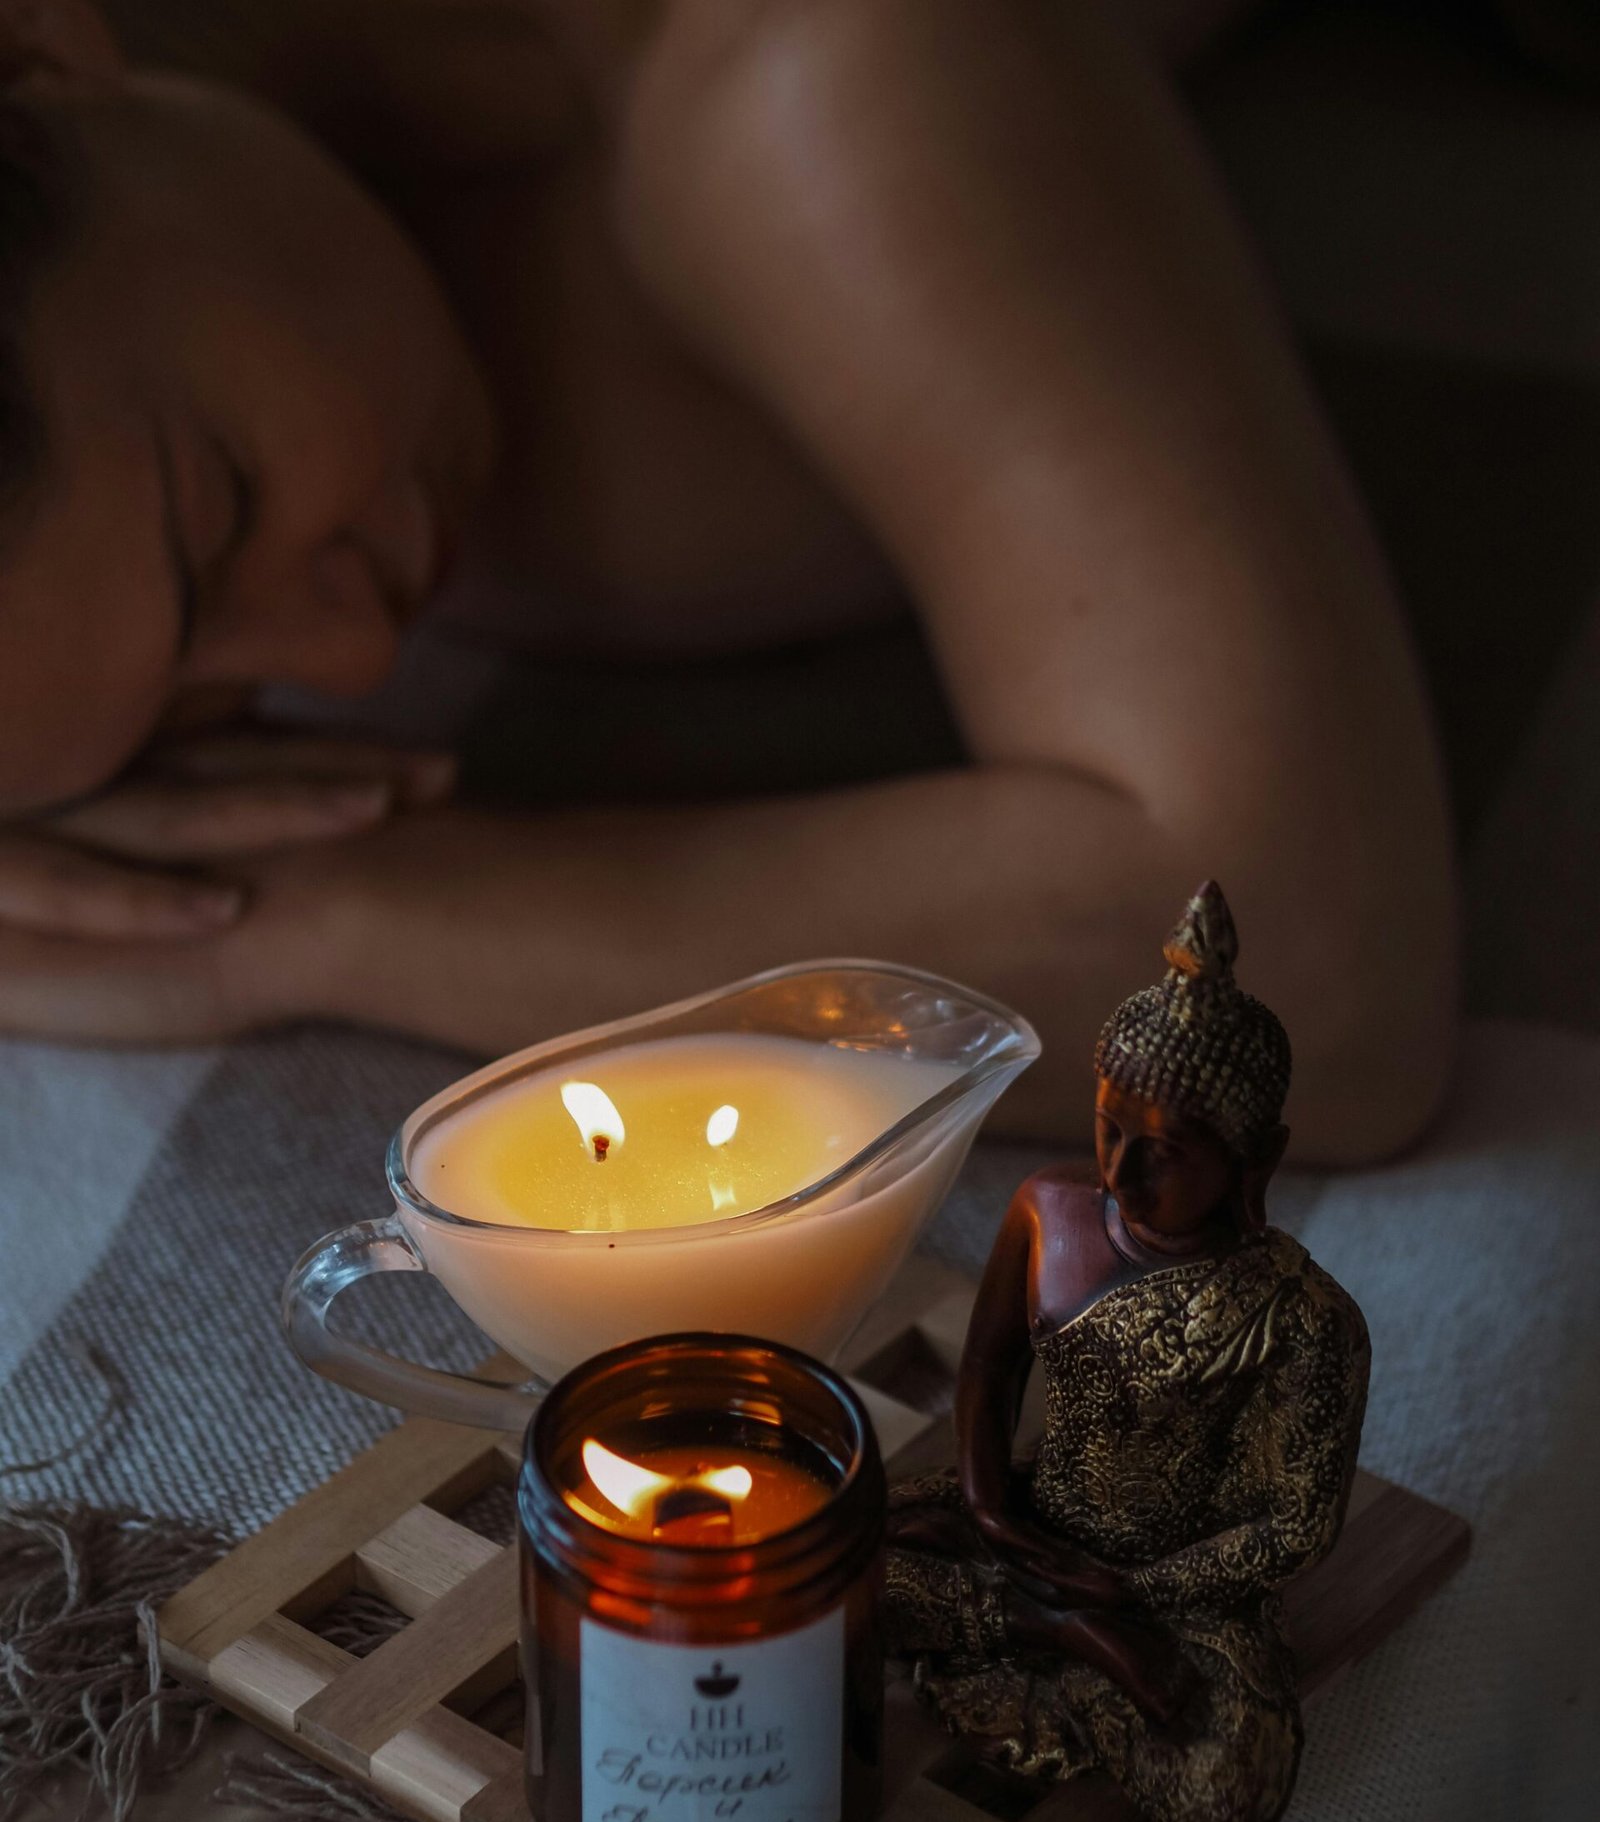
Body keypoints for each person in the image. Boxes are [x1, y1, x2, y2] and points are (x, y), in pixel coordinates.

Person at [0, 0, 1455, 1160]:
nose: (355, 662)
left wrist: (321, 906)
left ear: (47, 43)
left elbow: (1309, 982)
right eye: (170, 725)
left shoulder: (809, 71)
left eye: (221, 508)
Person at [884, 882, 1371, 1822]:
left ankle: (1045, 1640)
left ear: (1253, 1157)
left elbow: (1296, 1528)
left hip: (1176, 1583)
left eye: (1165, 1153)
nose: (1120, 1171)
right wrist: (986, 1508)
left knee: (1230, 1792)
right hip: (1034, 1523)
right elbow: (985, 1375)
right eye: (1109, 1128)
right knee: (809, 1553)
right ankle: (1060, 1636)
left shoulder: (1301, 1317)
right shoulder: (1046, 1209)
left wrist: (1137, 1591)